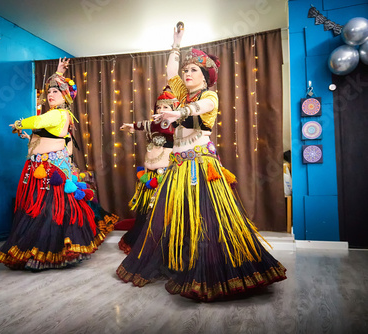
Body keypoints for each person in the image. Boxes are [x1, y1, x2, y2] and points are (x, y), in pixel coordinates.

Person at [117, 24, 287, 301]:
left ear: (206, 76)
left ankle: (211, 268)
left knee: (207, 219)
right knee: (171, 217)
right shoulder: (183, 93)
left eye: (193, 70)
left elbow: (201, 109)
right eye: (186, 70)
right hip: (177, 167)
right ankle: (181, 261)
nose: (186, 73)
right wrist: (176, 44)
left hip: (200, 166)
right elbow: (171, 72)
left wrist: (179, 112)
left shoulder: (209, 96)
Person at [0, 58, 107, 270]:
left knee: (47, 210)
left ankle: (48, 252)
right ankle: (38, 250)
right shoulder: (54, 115)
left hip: (49, 170)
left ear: (64, 96)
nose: (50, 95)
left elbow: (37, 122)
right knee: (39, 209)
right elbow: (45, 138)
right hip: (38, 167)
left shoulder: (59, 113)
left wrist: (20, 123)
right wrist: (26, 137)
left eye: (55, 92)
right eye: (49, 92)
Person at [117, 90, 177, 254]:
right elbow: (143, 125)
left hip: (165, 175)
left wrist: (169, 118)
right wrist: (131, 126)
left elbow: (166, 127)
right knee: (145, 209)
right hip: (148, 174)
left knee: (161, 209)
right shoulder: (155, 123)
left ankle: (160, 244)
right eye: (159, 107)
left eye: (166, 107)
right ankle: (143, 238)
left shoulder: (177, 125)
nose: (161, 110)